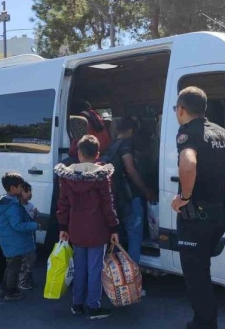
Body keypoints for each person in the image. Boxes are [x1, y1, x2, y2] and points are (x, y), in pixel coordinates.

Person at [170, 86, 225, 329]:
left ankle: (204, 323)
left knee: (196, 276)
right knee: (203, 269)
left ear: (181, 109)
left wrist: (184, 196)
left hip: (196, 218)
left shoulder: (187, 133)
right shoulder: (220, 131)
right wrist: (222, 187)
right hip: (219, 212)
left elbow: (188, 163)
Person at [55, 135, 119, 320]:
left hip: (75, 228)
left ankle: (77, 304)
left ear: (79, 154)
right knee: (95, 269)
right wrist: (113, 228)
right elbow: (108, 205)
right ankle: (93, 306)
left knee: (80, 267)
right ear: (98, 154)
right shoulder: (102, 176)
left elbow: (63, 204)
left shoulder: (67, 176)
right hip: (97, 230)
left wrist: (62, 226)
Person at [103, 117, 157, 265]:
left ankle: (116, 274)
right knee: (134, 235)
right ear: (132, 131)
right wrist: (146, 190)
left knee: (117, 236)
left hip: (115, 197)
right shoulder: (126, 144)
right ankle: (132, 274)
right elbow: (130, 169)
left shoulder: (110, 145)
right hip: (130, 196)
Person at [0, 173, 39, 301]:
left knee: (10, 264)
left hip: (7, 239)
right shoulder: (13, 206)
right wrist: (34, 225)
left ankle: (4, 287)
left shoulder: (2, 200)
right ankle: (11, 291)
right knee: (14, 267)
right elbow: (17, 225)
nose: (22, 189)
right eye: (20, 186)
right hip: (14, 240)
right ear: (13, 188)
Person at [18, 181, 38, 290]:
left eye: (30, 191)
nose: (29, 193)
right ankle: (22, 281)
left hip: (31, 238)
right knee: (23, 260)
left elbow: (32, 220)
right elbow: (24, 221)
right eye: (26, 191)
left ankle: (28, 278)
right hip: (22, 239)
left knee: (32, 258)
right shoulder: (18, 206)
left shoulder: (31, 205)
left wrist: (35, 215)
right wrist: (32, 215)